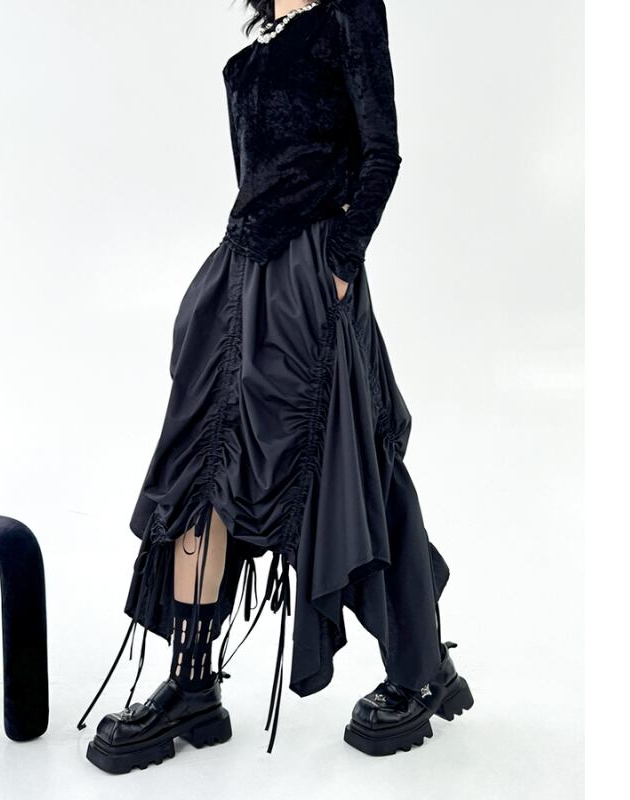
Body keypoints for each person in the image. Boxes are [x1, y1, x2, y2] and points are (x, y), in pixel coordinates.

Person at [77, 0, 473, 772]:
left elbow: (382, 152)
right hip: (235, 278)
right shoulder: (260, 44)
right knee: (200, 472)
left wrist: (339, 262)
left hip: (310, 277)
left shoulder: (348, 13)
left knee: (350, 468)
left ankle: (422, 668)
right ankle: (192, 686)